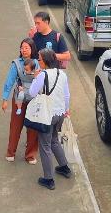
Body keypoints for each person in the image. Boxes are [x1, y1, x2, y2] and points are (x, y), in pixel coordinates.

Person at [28, 49, 71, 190]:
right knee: (54, 140)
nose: (38, 62)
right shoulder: (62, 74)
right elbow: (66, 96)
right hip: (60, 114)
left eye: (39, 59)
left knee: (45, 145)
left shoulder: (42, 75)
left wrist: (35, 77)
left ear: (45, 61)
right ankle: (64, 167)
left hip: (47, 115)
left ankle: (49, 179)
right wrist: (65, 111)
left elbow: (32, 93)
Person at [1, 38, 40, 164]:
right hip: (19, 98)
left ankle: (30, 154)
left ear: (32, 49)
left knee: (33, 127)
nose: (24, 50)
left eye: (27, 48)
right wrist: (5, 99)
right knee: (15, 125)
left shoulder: (37, 63)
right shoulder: (16, 63)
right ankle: (10, 152)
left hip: (34, 99)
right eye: (22, 47)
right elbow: (9, 82)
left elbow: (42, 80)